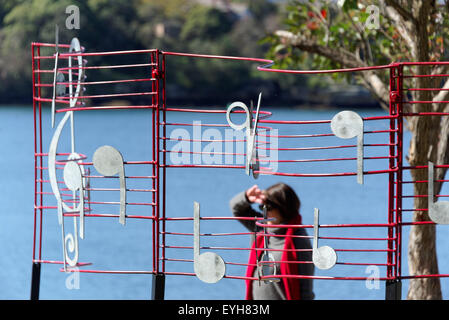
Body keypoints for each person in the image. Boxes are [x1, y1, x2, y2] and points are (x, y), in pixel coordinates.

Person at [229, 182, 314, 300]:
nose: (264, 212)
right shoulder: (260, 228)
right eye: (261, 207)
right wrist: (247, 198)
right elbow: (237, 209)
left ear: (284, 208)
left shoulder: (299, 239)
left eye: (268, 207)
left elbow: (306, 291)